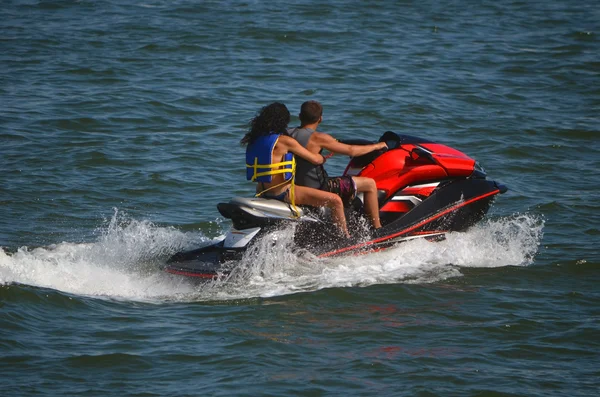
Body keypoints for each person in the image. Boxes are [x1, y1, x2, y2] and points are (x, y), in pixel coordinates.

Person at [241, 102, 351, 238]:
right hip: (283, 192)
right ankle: (344, 238)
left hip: (262, 191)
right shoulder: (285, 141)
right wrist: (322, 158)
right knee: (336, 201)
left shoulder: (254, 140)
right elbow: (314, 160)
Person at [288, 100, 387, 231]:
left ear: (300, 116)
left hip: (295, 186)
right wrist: (376, 146)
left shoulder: (287, 134)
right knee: (369, 184)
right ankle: (377, 229)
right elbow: (352, 150)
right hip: (319, 186)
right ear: (320, 119)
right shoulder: (319, 137)